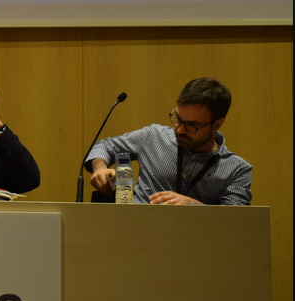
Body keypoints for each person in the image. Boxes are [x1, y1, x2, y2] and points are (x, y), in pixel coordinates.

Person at [86, 77, 251, 205]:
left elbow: (235, 222)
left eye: (192, 125)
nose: (179, 130)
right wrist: (100, 168)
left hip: (196, 244)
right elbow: (104, 146)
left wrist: (195, 206)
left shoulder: (236, 170)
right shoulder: (153, 136)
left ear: (217, 124)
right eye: (178, 119)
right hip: (136, 234)